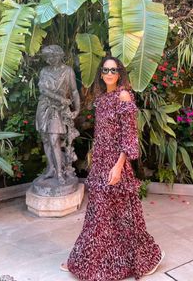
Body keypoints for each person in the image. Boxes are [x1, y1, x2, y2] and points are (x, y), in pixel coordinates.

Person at [60, 55, 165, 280]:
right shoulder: (102, 99)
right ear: (100, 73)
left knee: (124, 217)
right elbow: (102, 136)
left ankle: (147, 258)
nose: (109, 74)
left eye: (114, 70)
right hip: (99, 164)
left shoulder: (124, 96)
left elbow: (128, 137)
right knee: (98, 216)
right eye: (106, 70)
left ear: (120, 74)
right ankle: (84, 260)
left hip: (116, 165)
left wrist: (118, 167)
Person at [35, 45, 80, 185]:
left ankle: (60, 172)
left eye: (51, 57)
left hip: (58, 110)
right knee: (46, 140)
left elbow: (74, 92)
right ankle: (51, 169)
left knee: (54, 139)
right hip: (44, 107)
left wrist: (77, 109)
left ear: (59, 55)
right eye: (47, 58)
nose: (48, 60)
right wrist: (60, 98)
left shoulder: (68, 71)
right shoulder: (44, 71)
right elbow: (43, 90)